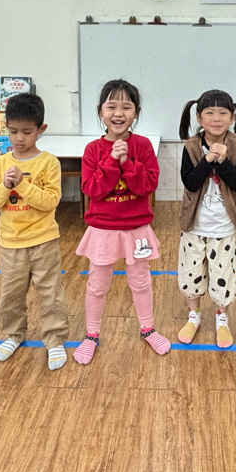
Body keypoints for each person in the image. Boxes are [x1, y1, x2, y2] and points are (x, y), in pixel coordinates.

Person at [73, 79, 169, 364]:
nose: (118, 113)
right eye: (111, 106)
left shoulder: (143, 146)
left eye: (126, 107)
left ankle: (148, 329)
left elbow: (147, 186)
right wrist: (111, 162)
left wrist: (127, 162)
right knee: (97, 284)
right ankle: (91, 335)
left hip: (136, 229)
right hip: (103, 229)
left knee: (140, 282)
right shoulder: (93, 149)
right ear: (100, 111)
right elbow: (92, 190)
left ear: (136, 112)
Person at [0, 93, 69, 370]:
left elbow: (50, 201)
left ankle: (55, 340)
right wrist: (6, 186)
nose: (19, 138)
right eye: (13, 131)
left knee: (50, 293)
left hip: (44, 240)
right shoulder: (0, 163)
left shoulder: (49, 162)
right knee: (11, 294)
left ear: (41, 129)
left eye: (27, 132)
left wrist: (22, 185)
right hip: (10, 243)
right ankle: (13, 335)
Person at [176, 90, 236, 348]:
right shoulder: (191, 146)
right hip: (194, 224)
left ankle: (222, 319)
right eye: (209, 112)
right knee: (191, 273)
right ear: (199, 117)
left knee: (223, 274)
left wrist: (222, 163)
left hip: (224, 226)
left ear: (232, 117)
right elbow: (190, 182)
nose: (216, 118)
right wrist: (207, 160)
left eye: (223, 112)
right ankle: (193, 316)